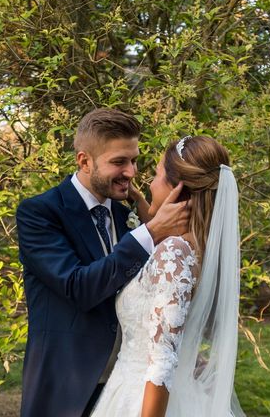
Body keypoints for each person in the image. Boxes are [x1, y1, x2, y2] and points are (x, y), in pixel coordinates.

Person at [16, 108, 190, 417]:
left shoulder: (129, 216)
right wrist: (150, 233)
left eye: (134, 160)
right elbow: (78, 286)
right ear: (84, 161)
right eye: (119, 162)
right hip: (66, 390)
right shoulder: (40, 213)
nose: (131, 172)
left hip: (126, 389)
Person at [91, 135, 245, 417]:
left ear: (179, 188)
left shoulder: (173, 253)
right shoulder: (199, 249)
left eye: (158, 173)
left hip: (142, 400)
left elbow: (161, 361)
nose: (148, 183)